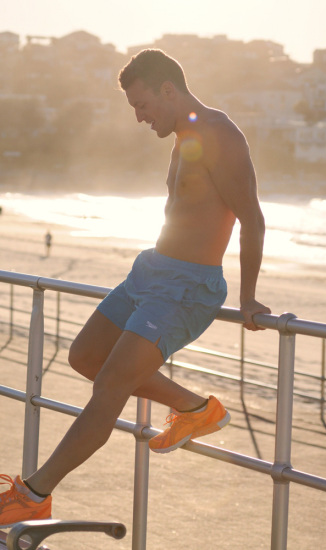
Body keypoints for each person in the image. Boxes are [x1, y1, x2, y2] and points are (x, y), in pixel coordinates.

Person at [0, 49, 270, 526]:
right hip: (150, 272)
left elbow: (252, 218)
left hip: (187, 287)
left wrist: (248, 297)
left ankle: (35, 493)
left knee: (110, 386)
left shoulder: (219, 134)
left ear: (168, 90)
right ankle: (193, 408)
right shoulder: (183, 135)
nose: (141, 118)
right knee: (84, 357)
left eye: (143, 105)